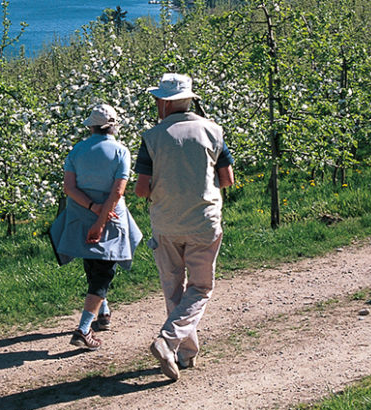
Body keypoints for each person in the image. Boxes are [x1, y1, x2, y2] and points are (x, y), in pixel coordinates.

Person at [134, 73, 234, 381]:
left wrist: (164, 193)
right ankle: (170, 342)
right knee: (200, 288)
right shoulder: (213, 131)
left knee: (173, 287)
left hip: (165, 222)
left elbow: (141, 188)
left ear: (164, 103)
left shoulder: (152, 137)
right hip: (203, 221)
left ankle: (182, 352)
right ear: (189, 99)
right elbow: (227, 178)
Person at [50, 103, 142, 350]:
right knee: (104, 272)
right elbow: (118, 190)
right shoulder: (121, 151)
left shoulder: (76, 151)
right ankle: (83, 329)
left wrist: (92, 208)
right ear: (113, 126)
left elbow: (69, 188)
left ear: (90, 126)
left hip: (80, 215)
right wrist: (102, 219)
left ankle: (103, 313)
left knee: (93, 264)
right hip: (110, 219)